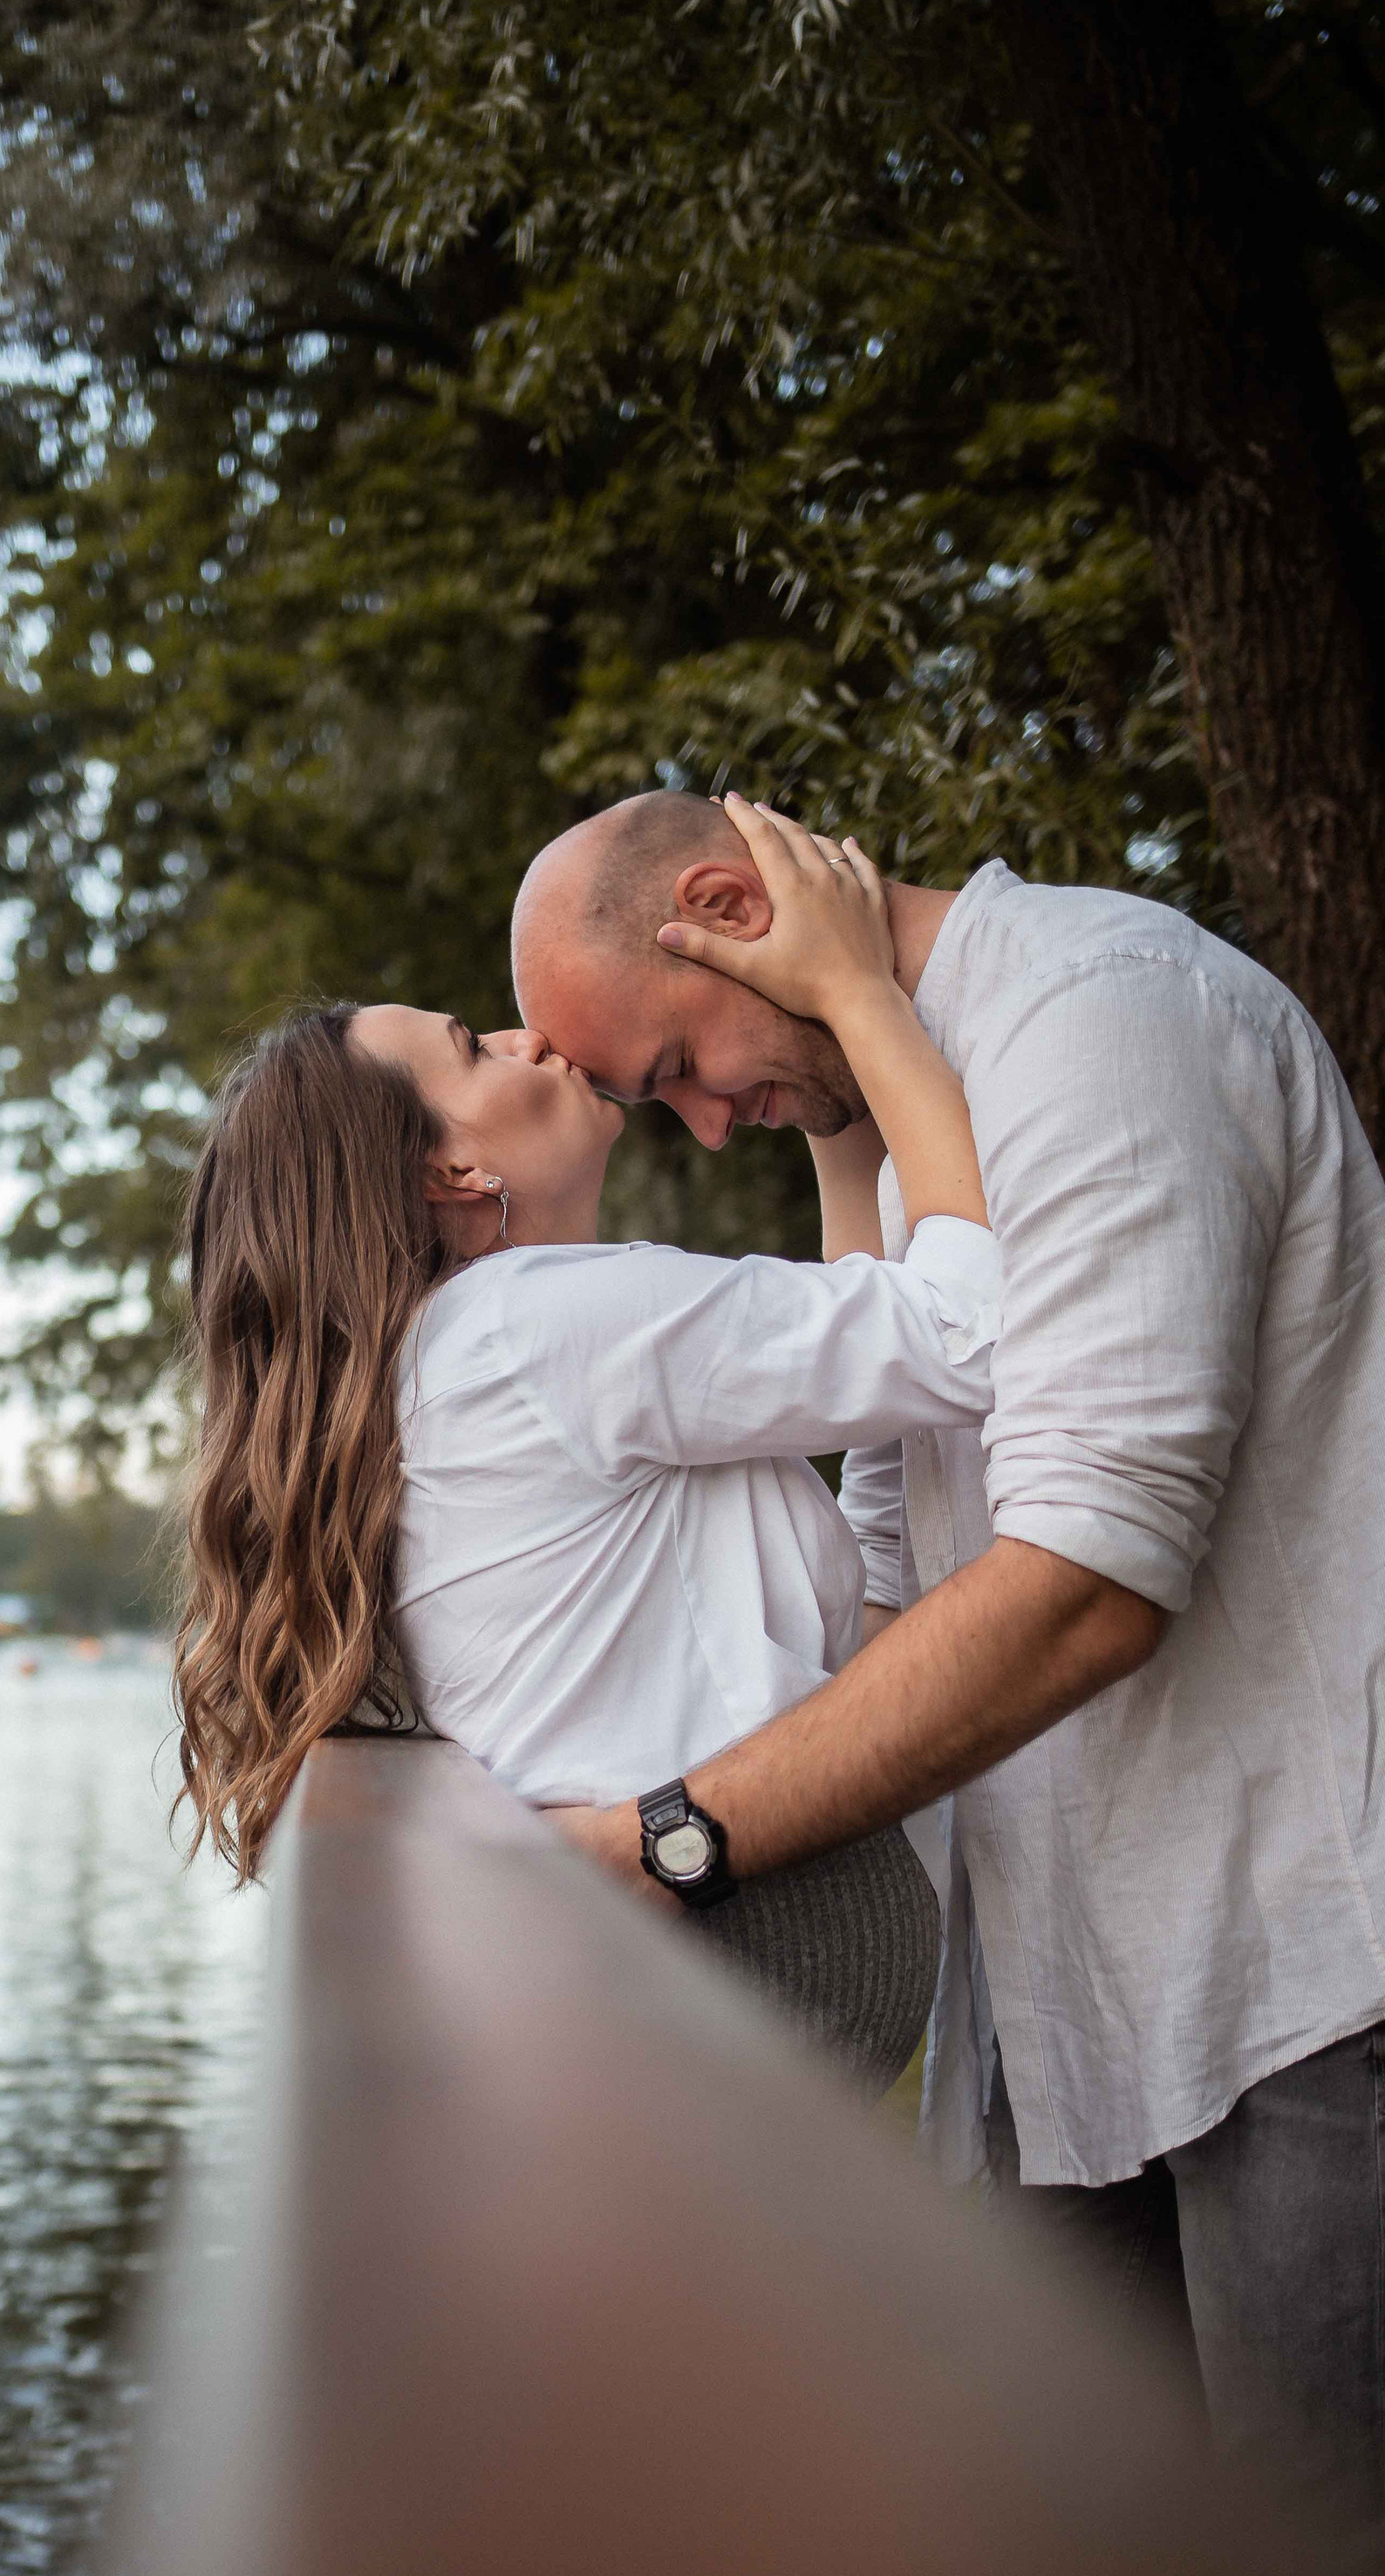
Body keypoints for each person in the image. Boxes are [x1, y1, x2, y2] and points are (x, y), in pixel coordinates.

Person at [517, 788, 1385, 2538]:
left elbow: (1086, 1581)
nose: (702, 1126)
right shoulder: (910, 1089)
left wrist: (666, 1840)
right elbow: (894, 1558)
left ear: (726, 908)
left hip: (1299, 1982)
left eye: (675, 1068)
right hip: (1059, 2009)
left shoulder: (1102, 1020)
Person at [173, 833, 1000, 2090]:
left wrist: (835, 1111)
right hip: (722, 1985)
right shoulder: (538, 1327)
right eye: (473, 1048)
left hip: (676, 2001)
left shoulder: (457, 1366)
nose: (530, 1040)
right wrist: (859, 998)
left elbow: (867, 1366)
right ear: (453, 1170)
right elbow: (967, 1331)